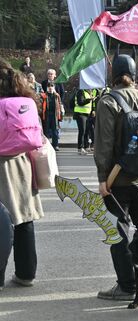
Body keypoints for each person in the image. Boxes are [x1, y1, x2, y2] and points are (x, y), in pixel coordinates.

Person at [94, 54, 138, 300]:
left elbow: (103, 144)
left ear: (113, 76)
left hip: (119, 179)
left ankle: (126, 286)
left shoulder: (108, 101)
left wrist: (103, 178)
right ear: (134, 76)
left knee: (119, 232)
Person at [0, 58, 44, 288]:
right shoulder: (25, 101)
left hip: (1, 167)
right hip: (24, 165)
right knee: (24, 219)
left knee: (1, 221)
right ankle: (26, 274)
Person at [39, 82, 62, 150]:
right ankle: (46, 145)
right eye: (48, 86)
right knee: (46, 131)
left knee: (55, 131)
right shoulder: (43, 96)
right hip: (46, 115)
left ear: (54, 87)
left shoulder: (56, 95)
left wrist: (60, 115)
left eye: (52, 86)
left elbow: (59, 105)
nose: (50, 87)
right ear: (46, 88)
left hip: (54, 115)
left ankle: (55, 145)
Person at [74, 88, 93, 154]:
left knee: (87, 131)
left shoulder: (88, 92)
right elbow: (80, 102)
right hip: (80, 114)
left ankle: (86, 146)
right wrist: (89, 100)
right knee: (82, 131)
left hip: (87, 114)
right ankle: (80, 148)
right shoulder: (81, 91)